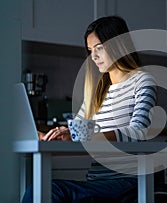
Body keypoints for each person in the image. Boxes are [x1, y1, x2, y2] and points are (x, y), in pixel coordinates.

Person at [22, 16, 157, 203]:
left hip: (126, 181)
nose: (93, 57)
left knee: (45, 191)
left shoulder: (142, 81)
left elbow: (138, 132)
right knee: (39, 189)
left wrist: (85, 136)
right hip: (96, 180)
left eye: (99, 48)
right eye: (90, 50)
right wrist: (49, 135)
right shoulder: (97, 91)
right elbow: (76, 131)